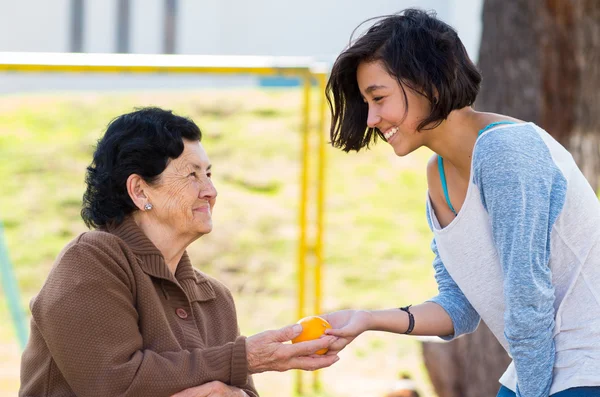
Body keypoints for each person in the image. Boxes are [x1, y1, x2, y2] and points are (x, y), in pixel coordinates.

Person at [321, 8, 600, 397]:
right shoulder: (437, 177)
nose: (371, 118)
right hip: (538, 373)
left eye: (379, 98)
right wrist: (366, 320)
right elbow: (460, 307)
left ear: (426, 81)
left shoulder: (507, 151)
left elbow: (528, 299)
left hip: (585, 370)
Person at [19, 107, 339, 397]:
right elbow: (113, 382)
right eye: (192, 174)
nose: (210, 191)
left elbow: (242, 393)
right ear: (140, 190)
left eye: (209, 174)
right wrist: (242, 358)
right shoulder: (91, 259)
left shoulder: (216, 297)